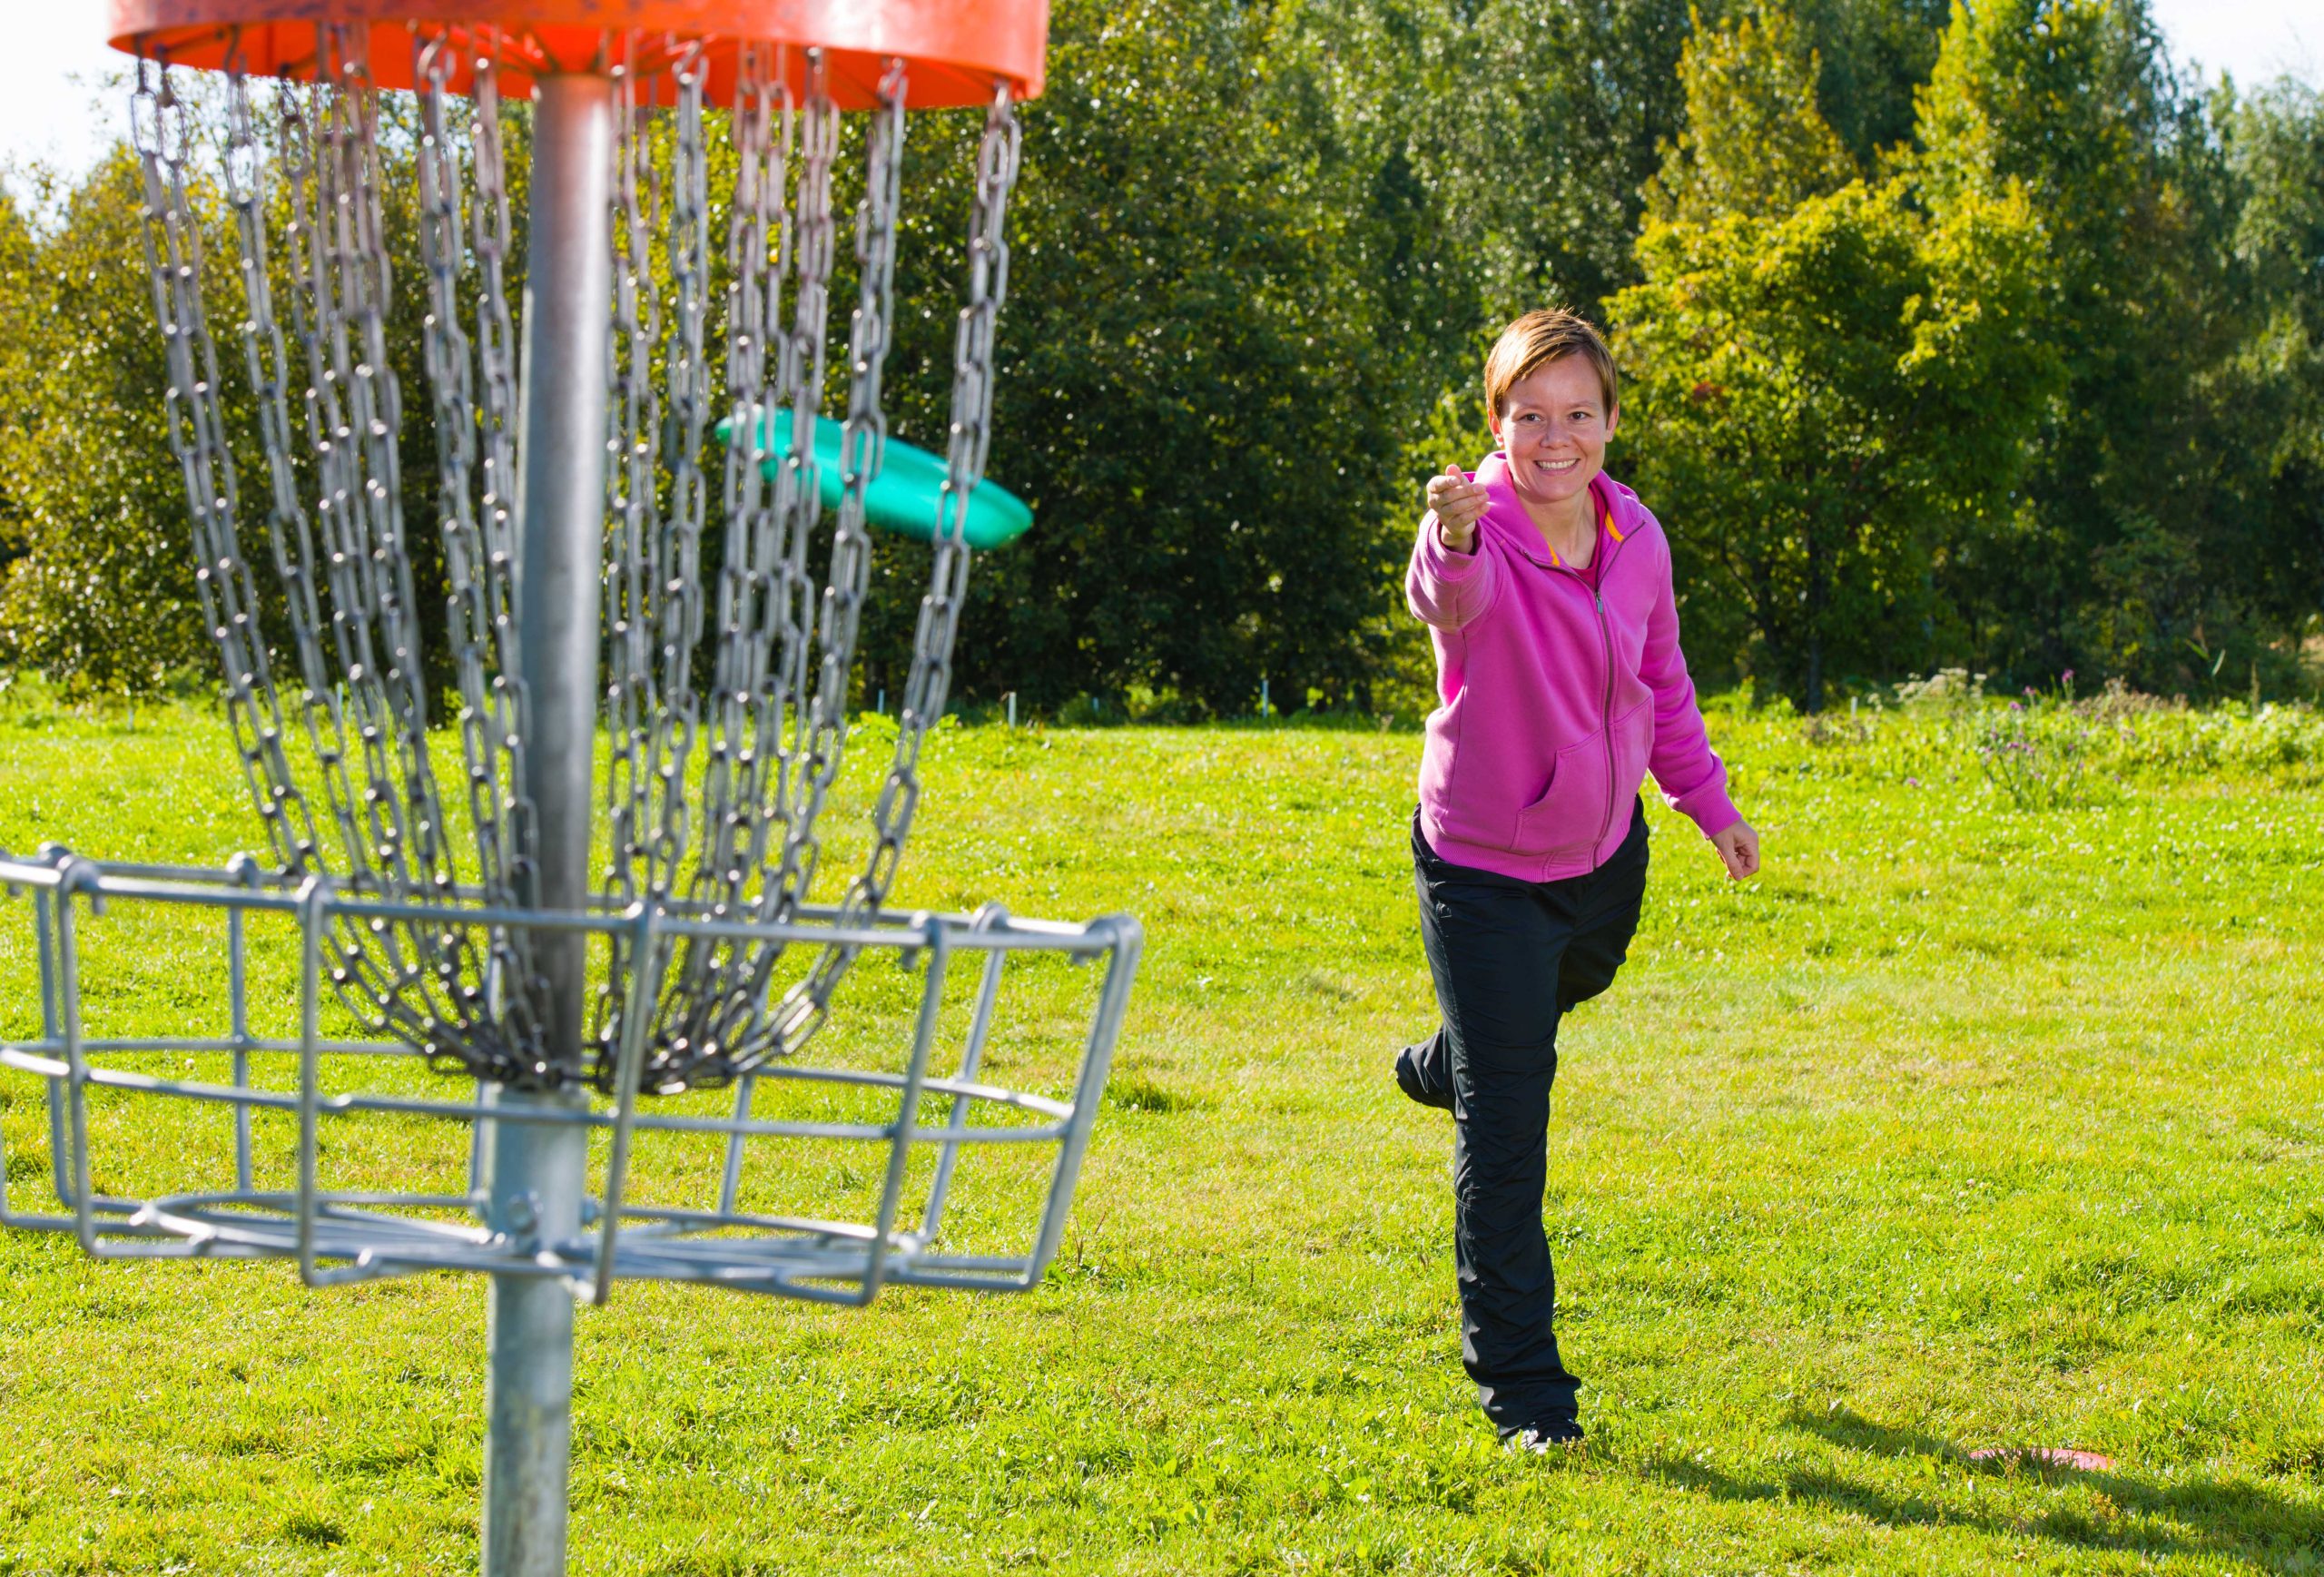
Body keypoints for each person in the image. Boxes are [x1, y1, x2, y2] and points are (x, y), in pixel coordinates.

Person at [1396, 308, 1760, 1453]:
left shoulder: (1635, 534)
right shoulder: (1478, 532)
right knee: (1509, 1132)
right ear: (1495, 425)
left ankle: (1453, 1056)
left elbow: (1662, 678)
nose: (1556, 437)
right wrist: (1448, 539)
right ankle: (1527, 1397)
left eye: (1578, 414)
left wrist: (1708, 804)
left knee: (1561, 996)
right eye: (1528, 416)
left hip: (1605, 859)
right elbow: (1447, 607)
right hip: (1486, 872)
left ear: (1607, 421)